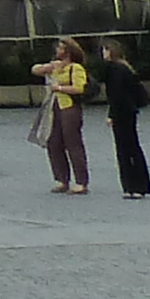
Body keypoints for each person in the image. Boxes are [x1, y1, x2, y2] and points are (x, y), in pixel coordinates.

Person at [98, 42, 150, 198]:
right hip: (130, 111)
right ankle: (140, 185)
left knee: (124, 149)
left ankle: (131, 185)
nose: (103, 54)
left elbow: (116, 95)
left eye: (105, 50)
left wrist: (111, 114)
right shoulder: (125, 67)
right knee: (133, 147)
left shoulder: (114, 69)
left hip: (122, 112)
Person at [39, 39, 93, 193]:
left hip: (69, 107)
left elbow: (79, 88)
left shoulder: (75, 68)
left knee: (73, 143)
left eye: (61, 48)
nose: (57, 50)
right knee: (53, 142)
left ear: (68, 51)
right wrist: (49, 67)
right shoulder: (56, 67)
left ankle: (82, 181)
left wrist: (60, 87)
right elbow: (35, 70)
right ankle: (62, 179)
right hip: (54, 106)